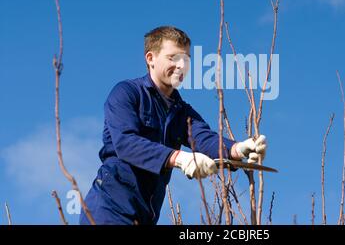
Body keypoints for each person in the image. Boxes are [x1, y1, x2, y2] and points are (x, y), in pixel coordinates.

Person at [80, 26, 267, 225]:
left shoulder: (182, 111)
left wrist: (238, 149)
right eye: (173, 57)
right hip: (108, 213)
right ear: (150, 58)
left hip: (145, 218)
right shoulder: (126, 93)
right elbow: (126, 143)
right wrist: (178, 158)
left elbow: (204, 138)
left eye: (186, 59)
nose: (181, 66)